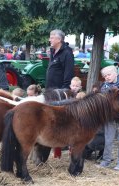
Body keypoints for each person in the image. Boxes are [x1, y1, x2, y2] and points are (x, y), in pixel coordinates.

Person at [45, 29, 74, 158]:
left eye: (52, 37)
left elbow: (68, 75)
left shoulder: (67, 53)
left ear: (59, 39)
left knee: (59, 121)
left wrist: (62, 92)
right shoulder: (53, 52)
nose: (49, 39)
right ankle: (53, 149)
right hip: (49, 92)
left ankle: (59, 151)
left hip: (59, 94)